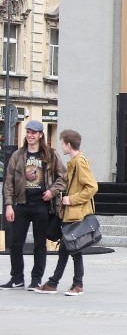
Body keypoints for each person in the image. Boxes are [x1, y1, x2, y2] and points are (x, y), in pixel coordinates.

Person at [1, 120, 67, 291]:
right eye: (28, 132)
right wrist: (8, 205)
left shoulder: (50, 155)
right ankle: (17, 278)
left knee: (39, 244)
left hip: (42, 206)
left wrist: (52, 191)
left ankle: (36, 279)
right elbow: (8, 183)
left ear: (40, 135)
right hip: (21, 205)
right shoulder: (17, 155)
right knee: (15, 244)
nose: (30, 135)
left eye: (33, 132)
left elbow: (63, 177)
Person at [34, 129, 98, 296]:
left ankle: (75, 284)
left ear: (69, 145)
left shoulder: (79, 162)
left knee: (74, 250)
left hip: (76, 213)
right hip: (70, 213)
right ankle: (55, 282)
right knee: (67, 249)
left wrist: (72, 199)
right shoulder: (74, 162)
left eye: (62, 143)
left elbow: (92, 186)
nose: (61, 147)